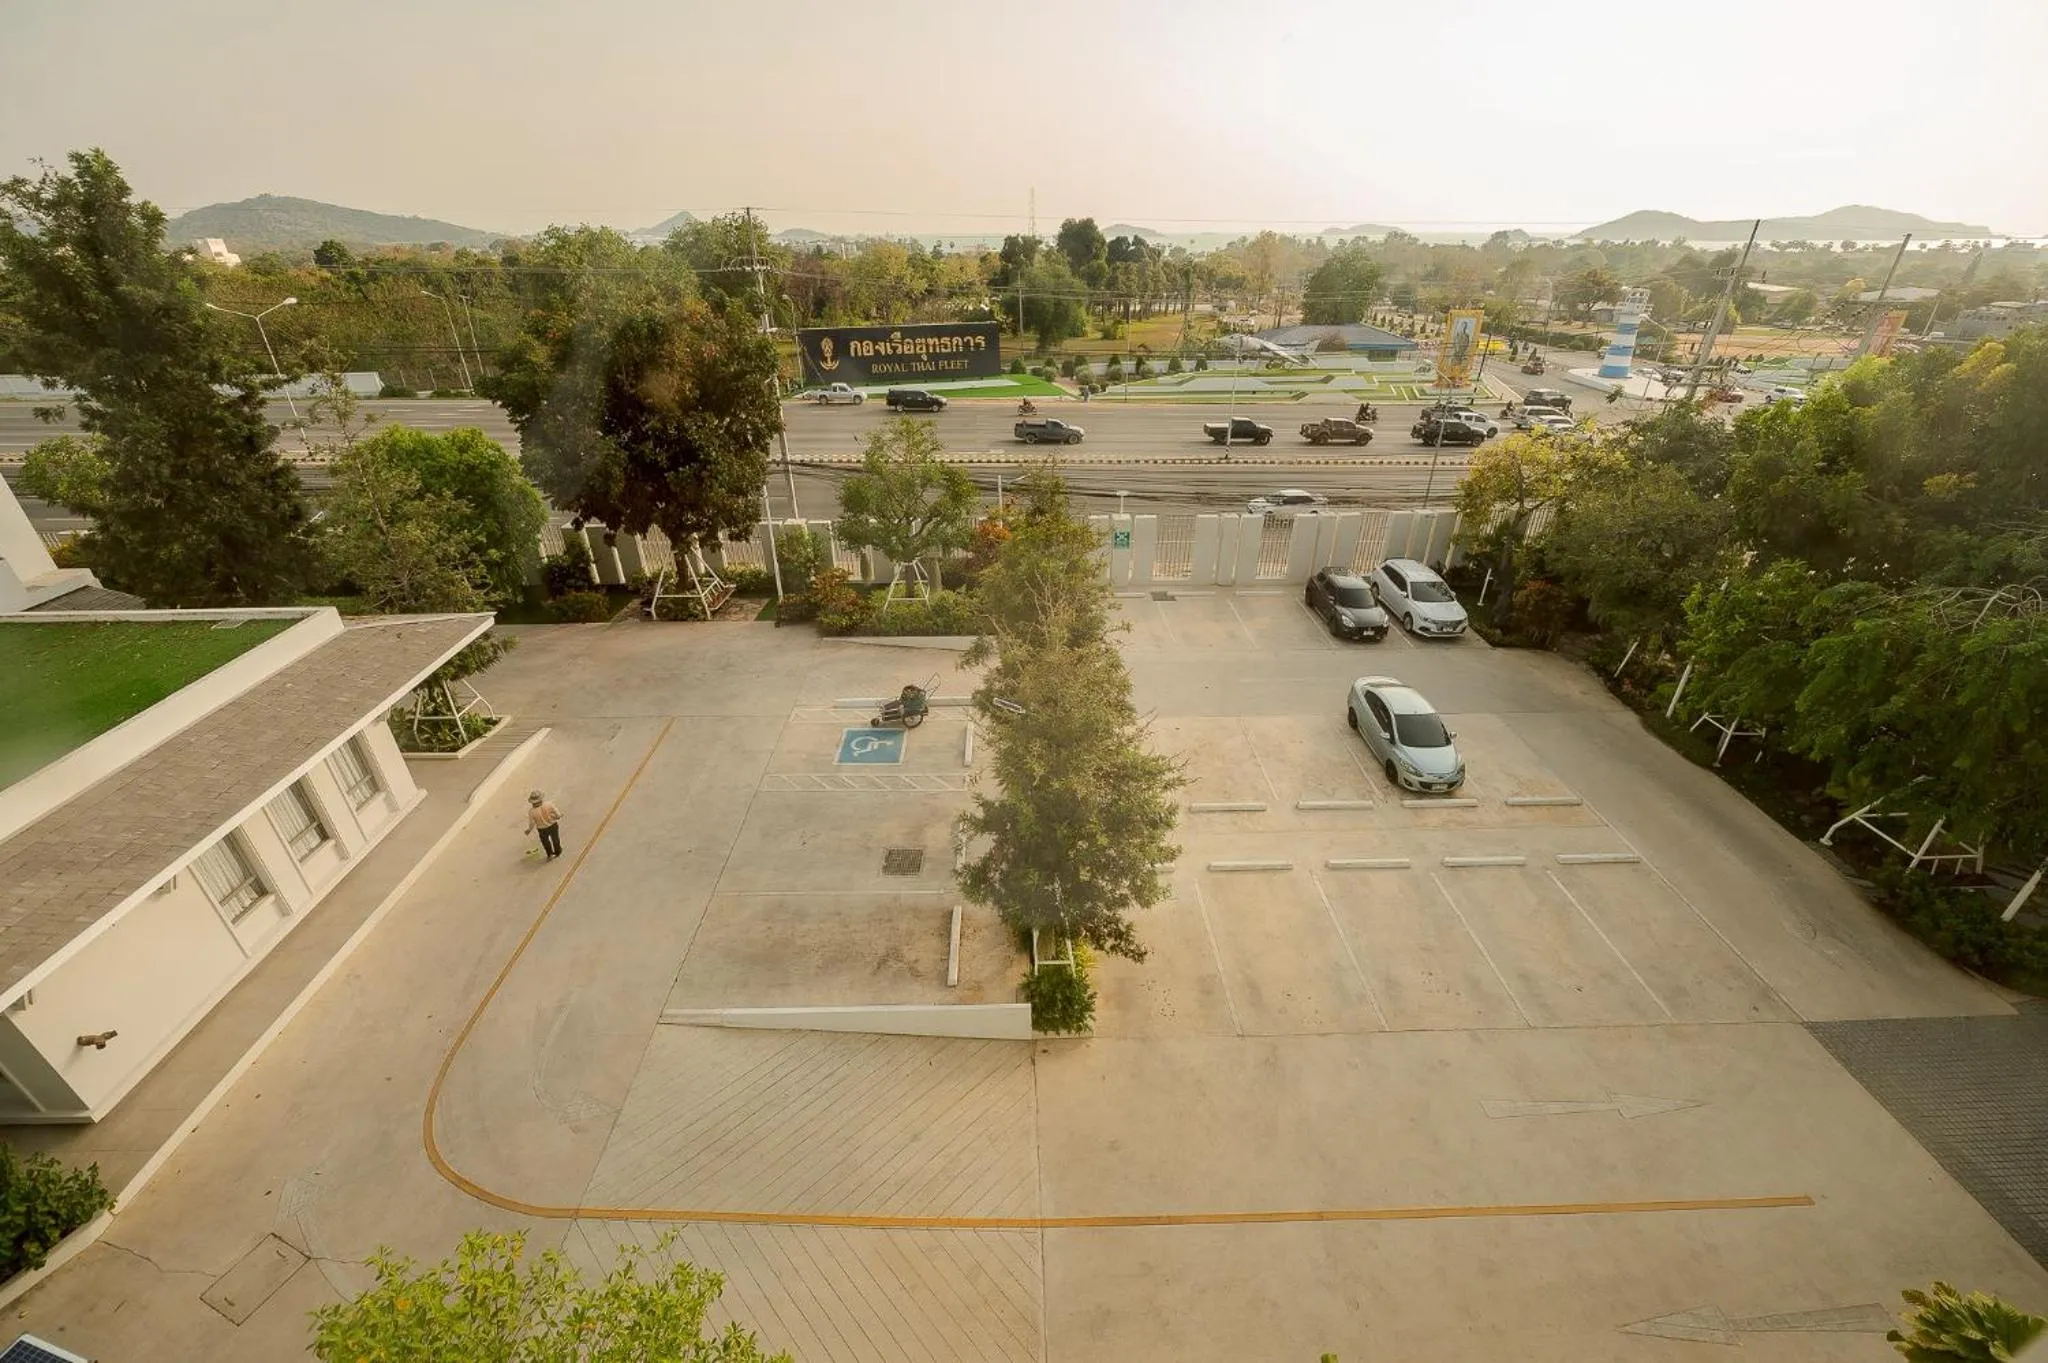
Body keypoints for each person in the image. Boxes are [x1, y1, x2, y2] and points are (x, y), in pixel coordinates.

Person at [526, 790, 562, 860]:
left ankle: (550, 854)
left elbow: (532, 823)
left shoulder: (531, 812)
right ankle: (558, 851)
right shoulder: (549, 804)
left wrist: (529, 830)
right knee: (555, 839)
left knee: (545, 842)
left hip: (542, 829)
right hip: (552, 825)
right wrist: (558, 816)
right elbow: (557, 814)